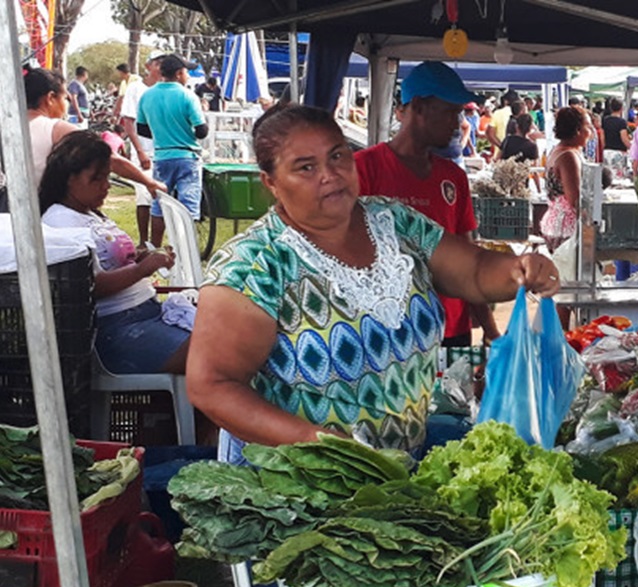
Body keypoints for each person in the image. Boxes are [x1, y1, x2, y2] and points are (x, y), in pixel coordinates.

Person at [186, 104, 560, 453]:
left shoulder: (395, 223)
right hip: (298, 483)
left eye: (337, 156)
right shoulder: (255, 266)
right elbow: (212, 385)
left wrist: (518, 270)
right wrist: (322, 444)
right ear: (270, 182)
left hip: (397, 476)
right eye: (306, 167)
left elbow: (474, 271)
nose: (330, 175)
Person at [354, 61, 501, 346]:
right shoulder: (363, 169)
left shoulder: (453, 177)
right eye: (450, 112)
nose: (457, 124)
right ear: (419, 107)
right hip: (388, 331)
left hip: (451, 326)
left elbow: (467, 258)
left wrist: (490, 329)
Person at [39, 132, 189, 374]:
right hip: (120, 330)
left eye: (107, 176)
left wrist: (140, 258)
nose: (106, 185)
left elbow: (107, 263)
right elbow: (88, 285)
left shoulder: (87, 213)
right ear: (69, 179)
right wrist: (142, 269)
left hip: (146, 315)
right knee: (219, 355)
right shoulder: (60, 221)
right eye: (96, 179)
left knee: (229, 342)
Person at [24, 68, 162, 195]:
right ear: (50, 98)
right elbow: (109, 158)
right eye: (65, 98)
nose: (67, 104)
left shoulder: (15, 127)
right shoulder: (56, 128)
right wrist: (149, 182)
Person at [136, 54, 209, 246]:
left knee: (159, 204)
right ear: (178, 74)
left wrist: (162, 133)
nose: (188, 76)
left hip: (161, 156)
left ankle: (156, 247)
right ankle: (186, 249)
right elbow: (202, 131)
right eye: (186, 72)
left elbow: (141, 129)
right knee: (188, 206)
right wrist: (185, 131)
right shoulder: (188, 96)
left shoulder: (147, 95)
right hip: (187, 157)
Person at [120, 51, 164, 245]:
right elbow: (128, 122)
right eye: (157, 63)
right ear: (148, 66)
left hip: (163, 150)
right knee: (143, 196)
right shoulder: (136, 88)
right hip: (143, 150)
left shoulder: (166, 88)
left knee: (160, 197)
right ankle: (144, 241)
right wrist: (139, 151)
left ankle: (155, 242)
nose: (161, 67)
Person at [542, 106, 590, 254]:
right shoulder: (568, 156)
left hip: (555, 222)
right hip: (566, 227)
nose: (590, 132)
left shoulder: (558, 151)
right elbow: (574, 199)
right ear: (577, 130)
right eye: (588, 127)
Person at [601, 97, 632, 181]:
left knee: (608, 176)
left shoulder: (605, 120)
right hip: (618, 152)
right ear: (622, 108)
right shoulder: (621, 122)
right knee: (618, 177)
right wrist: (632, 147)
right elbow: (624, 138)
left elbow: (602, 137)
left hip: (606, 151)